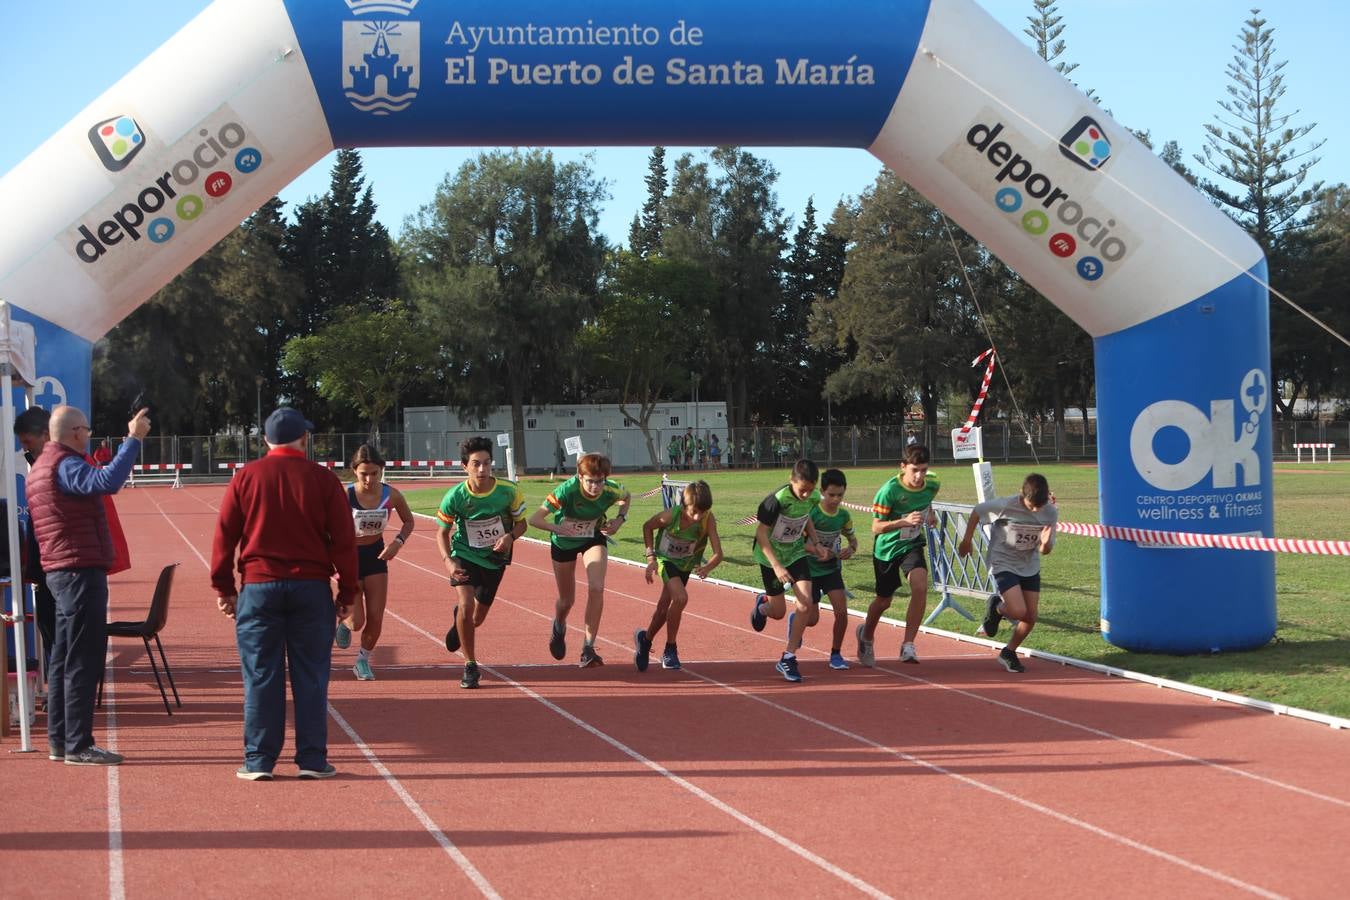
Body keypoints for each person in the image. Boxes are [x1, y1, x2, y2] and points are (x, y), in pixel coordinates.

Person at [210, 408, 357, 781]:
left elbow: (224, 536)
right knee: (311, 676)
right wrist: (347, 593)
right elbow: (344, 541)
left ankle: (259, 760)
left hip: (259, 587)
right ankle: (312, 759)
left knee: (261, 674)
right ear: (304, 439)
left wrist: (225, 588)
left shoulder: (246, 477)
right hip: (311, 588)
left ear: (265, 440)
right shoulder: (323, 479)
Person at [27, 404, 149, 766]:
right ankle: (78, 744)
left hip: (61, 570)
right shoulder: (66, 464)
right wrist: (133, 439)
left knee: (63, 659)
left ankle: (61, 741)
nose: (89, 437)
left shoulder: (41, 467)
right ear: (76, 432)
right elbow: (108, 482)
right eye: (88, 431)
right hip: (79, 569)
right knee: (82, 659)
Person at [438, 437, 527, 689]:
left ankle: (459, 621)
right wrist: (448, 561)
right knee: (466, 605)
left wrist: (509, 537)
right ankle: (470, 665)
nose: (482, 469)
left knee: (476, 618)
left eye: (486, 463)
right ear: (464, 466)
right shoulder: (455, 496)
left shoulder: (508, 491)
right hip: (464, 554)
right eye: (476, 464)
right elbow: (441, 532)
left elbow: (522, 524)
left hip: (494, 559)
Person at [529, 452, 631, 668]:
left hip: (592, 538)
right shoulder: (566, 490)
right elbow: (535, 519)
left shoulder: (611, 489)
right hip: (564, 542)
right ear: (580, 476)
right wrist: (556, 527)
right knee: (567, 601)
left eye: (599, 481)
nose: (595, 486)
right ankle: (559, 625)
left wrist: (620, 519)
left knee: (597, 588)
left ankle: (588, 648)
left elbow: (626, 497)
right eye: (590, 481)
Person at [958, 474, 1058, 673]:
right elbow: (977, 511)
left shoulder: (1050, 512)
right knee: (1018, 611)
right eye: (1031, 506)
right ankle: (997, 607)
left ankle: (1009, 652)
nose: (1035, 511)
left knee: (1030, 616)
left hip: (1029, 565)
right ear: (1022, 495)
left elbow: (1045, 550)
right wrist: (967, 540)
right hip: (1002, 561)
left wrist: (1046, 543)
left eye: (1039, 507)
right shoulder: (1005, 505)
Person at [335, 444, 413, 681]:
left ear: (381, 470)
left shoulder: (391, 495)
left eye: (374, 473)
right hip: (350, 559)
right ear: (354, 471)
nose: (369, 479)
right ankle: (344, 622)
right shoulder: (345, 495)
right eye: (363, 474)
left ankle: (362, 660)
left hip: (376, 556)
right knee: (357, 622)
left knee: (376, 617)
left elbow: (408, 521)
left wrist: (397, 542)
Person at [856, 445, 940, 666]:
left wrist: (930, 514)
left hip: (912, 544)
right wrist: (903, 522)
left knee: (920, 586)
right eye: (915, 470)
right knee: (884, 600)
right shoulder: (889, 491)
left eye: (924, 470)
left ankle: (908, 644)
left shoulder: (933, 483)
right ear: (903, 467)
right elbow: (876, 527)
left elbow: (927, 499)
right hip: (887, 549)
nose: (919, 476)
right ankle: (866, 636)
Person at [748, 459, 831, 682]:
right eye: (802, 490)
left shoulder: (813, 497)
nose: (806, 495)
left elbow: (806, 517)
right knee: (778, 612)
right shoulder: (776, 501)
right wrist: (776, 566)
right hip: (770, 559)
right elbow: (761, 534)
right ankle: (763, 605)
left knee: (805, 604)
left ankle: (788, 657)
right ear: (791, 480)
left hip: (795, 554)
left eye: (810, 490)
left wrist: (816, 542)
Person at [633, 480, 724, 671]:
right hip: (666, 561)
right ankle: (670, 649)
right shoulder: (670, 516)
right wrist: (651, 557)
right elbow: (647, 526)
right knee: (681, 598)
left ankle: (645, 640)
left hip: (685, 565)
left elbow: (718, 553)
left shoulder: (708, 519)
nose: (698, 517)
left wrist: (707, 567)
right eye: (694, 512)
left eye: (702, 512)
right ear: (684, 506)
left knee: (662, 610)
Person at [802, 468, 859, 670]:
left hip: (830, 569)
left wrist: (850, 549)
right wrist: (817, 550)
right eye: (831, 495)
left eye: (840, 495)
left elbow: (853, 540)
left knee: (842, 612)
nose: (836, 500)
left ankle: (836, 653)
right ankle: (796, 619)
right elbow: (797, 543)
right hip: (808, 570)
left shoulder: (843, 516)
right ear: (822, 492)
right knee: (812, 619)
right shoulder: (812, 513)